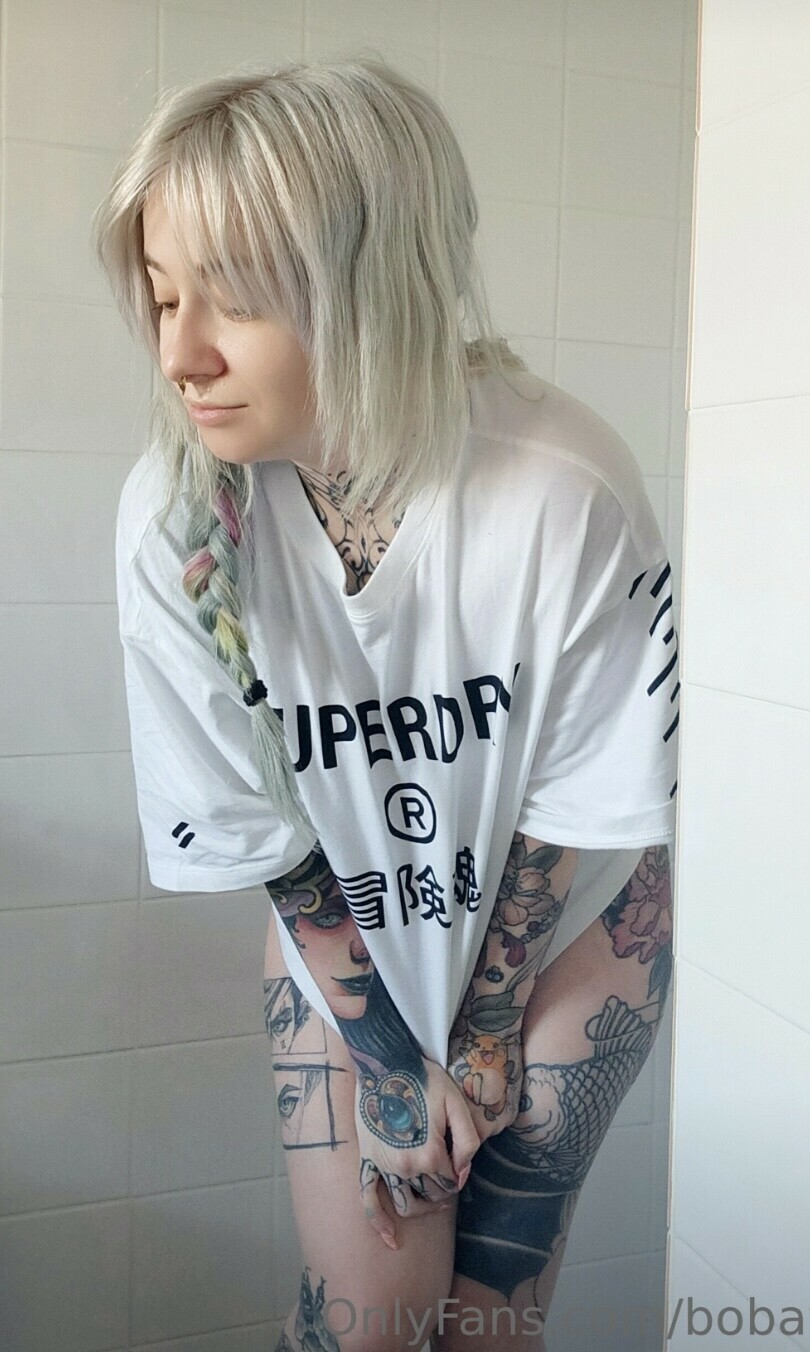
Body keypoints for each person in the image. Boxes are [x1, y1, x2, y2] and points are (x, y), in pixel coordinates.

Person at [93, 55, 679, 1352]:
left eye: (233, 297)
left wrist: (484, 1033)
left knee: (484, 1327)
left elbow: (583, 798)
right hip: (346, 928)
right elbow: (262, 832)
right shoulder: (178, 521)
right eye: (164, 295)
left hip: (569, 927)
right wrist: (391, 1065)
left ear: (369, 283)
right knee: (370, 1322)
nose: (180, 354)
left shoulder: (560, 487)